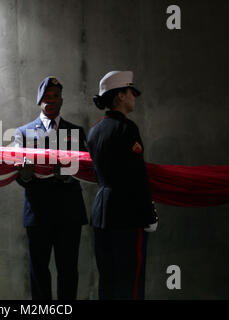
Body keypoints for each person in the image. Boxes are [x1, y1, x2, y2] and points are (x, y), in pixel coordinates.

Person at [14, 76, 88, 300]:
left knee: (68, 272)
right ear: (39, 101)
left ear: (62, 100)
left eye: (56, 97)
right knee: (38, 273)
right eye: (47, 97)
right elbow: (17, 173)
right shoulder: (24, 133)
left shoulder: (75, 132)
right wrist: (25, 175)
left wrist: (67, 176)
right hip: (38, 214)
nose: (51, 101)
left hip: (68, 215)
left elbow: (84, 169)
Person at [87, 71, 158, 300]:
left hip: (101, 213)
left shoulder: (95, 130)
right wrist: (149, 215)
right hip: (127, 214)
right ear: (119, 96)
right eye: (130, 92)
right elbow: (136, 176)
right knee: (131, 281)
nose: (134, 98)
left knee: (107, 281)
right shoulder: (127, 129)